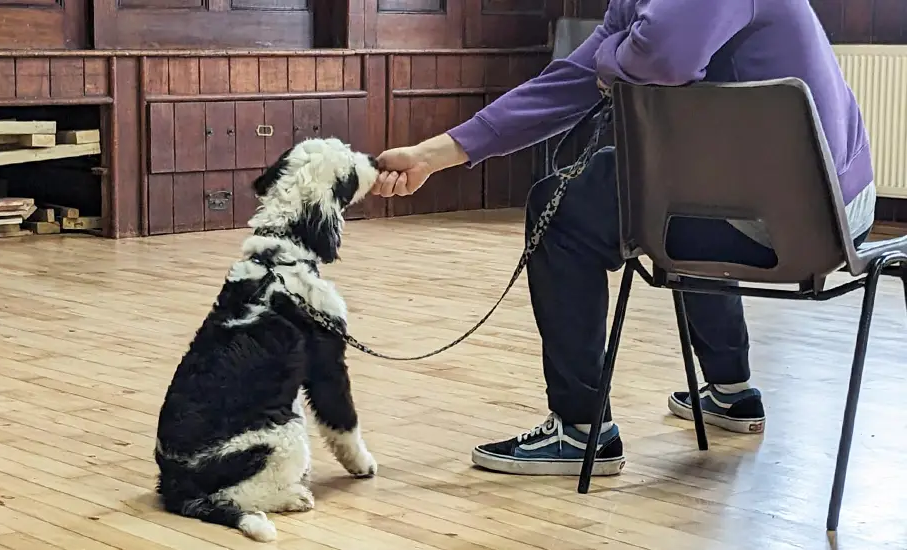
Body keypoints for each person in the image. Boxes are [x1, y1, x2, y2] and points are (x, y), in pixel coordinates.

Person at [371, 0, 876, 477]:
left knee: (564, 209)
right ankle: (731, 391)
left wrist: (612, 56)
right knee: (673, 193)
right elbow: (573, 80)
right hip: (799, 206)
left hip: (799, 216)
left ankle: (580, 429)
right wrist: (434, 154)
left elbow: (662, 57)